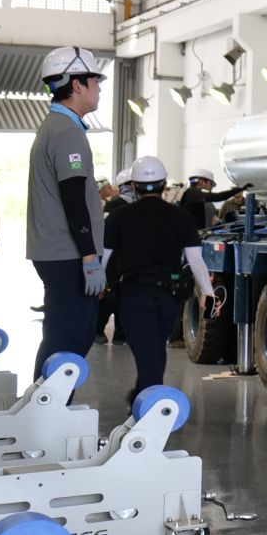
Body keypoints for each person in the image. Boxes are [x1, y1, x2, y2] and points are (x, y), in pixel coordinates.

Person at [103, 155, 216, 404]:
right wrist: (207, 293)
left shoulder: (118, 217)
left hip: (133, 294)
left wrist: (97, 288)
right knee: (155, 349)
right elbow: (195, 260)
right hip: (169, 295)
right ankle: (143, 397)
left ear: (134, 185)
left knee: (146, 351)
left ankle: (148, 405)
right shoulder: (181, 217)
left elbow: (104, 258)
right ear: (164, 185)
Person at [27, 46, 108, 375]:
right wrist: (89, 257)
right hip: (68, 254)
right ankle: (46, 402)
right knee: (68, 340)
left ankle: (47, 401)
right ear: (77, 85)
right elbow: (73, 197)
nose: (99, 88)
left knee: (67, 335)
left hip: (59, 252)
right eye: (95, 81)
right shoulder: (67, 132)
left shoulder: (55, 126)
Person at [179, 169, 249, 231]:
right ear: (201, 182)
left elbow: (209, 227)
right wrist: (239, 189)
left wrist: (223, 221)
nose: (211, 188)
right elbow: (220, 196)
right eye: (211, 184)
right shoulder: (192, 193)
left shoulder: (199, 200)